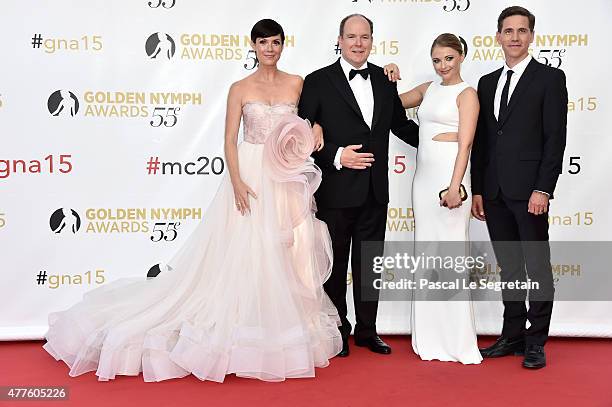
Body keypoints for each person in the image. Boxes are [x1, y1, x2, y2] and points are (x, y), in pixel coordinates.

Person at [43, 19, 342, 382]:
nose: (270, 48)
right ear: (253, 46)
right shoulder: (239, 88)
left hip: (284, 175)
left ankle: (274, 325)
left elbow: (312, 118)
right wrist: (236, 181)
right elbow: (230, 139)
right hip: (248, 174)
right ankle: (241, 324)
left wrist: (319, 127)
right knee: (245, 250)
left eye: (276, 42)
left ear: (283, 45)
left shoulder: (297, 83)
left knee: (283, 251)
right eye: (263, 42)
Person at [298, 14, 419, 357]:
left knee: (370, 265)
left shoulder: (383, 80)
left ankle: (368, 331)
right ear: (339, 39)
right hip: (335, 189)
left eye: (364, 37)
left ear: (372, 40)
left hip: (375, 191)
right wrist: (337, 156)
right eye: (351, 36)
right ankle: (337, 330)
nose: (358, 43)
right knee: (334, 267)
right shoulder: (317, 81)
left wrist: (445, 143)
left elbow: (401, 126)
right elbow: (302, 137)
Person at [471, 6, 567, 369]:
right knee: (509, 266)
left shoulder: (549, 79)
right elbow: (483, 141)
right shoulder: (487, 82)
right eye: (508, 31)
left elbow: (554, 138)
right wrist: (478, 188)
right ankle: (511, 335)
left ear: (531, 36)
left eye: (521, 31)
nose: (514, 37)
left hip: (529, 192)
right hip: (494, 192)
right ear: (498, 36)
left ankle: (535, 340)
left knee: (537, 266)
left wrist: (543, 189)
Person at [385, 33, 482, 364]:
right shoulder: (428, 89)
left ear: (461, 56)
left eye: (449, 59)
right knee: (427, 255)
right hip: (423, 182)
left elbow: (466, 144)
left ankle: (456, 340)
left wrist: (455, 186)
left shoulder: (467, 94)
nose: (443, 66)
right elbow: (391, 103)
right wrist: (390, 76)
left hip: (450, 180)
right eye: (437, 60)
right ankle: (429, 337)